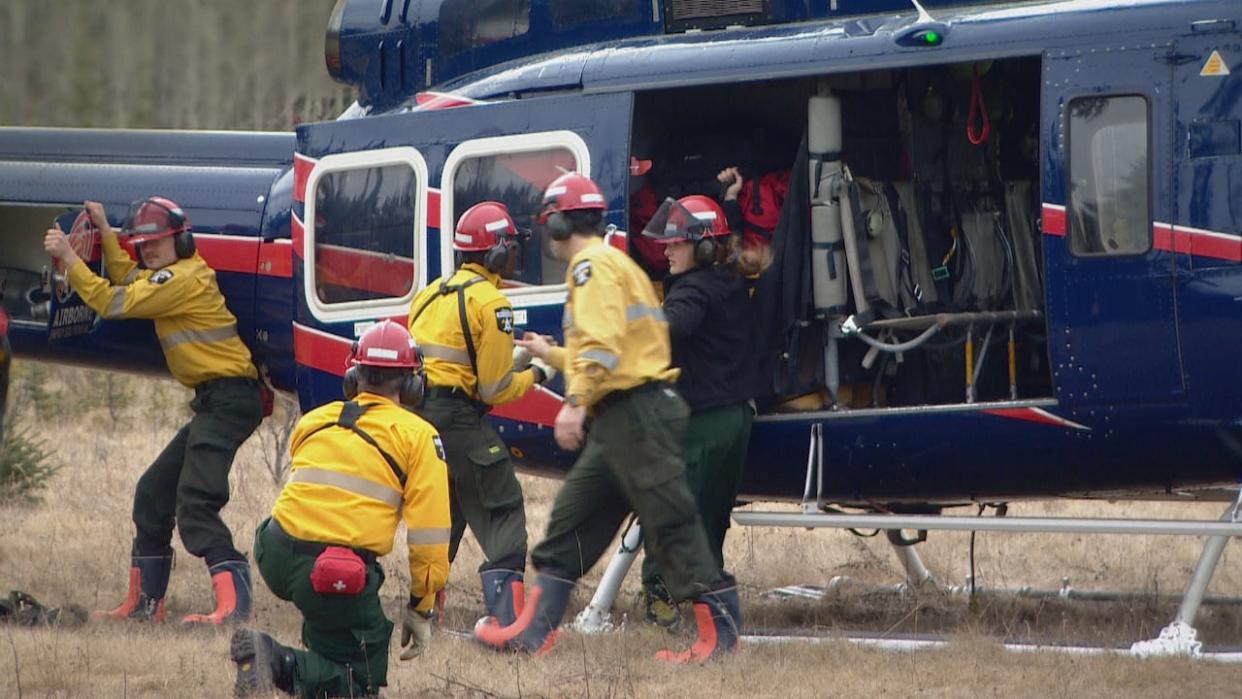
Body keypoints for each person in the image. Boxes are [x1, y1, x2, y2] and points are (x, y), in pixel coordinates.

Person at [475, 172, 742, 663]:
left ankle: (719, 638)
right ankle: (534, 631)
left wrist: (574, 403)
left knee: (673, 525)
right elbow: (609, 346)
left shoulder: (589, 268)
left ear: (557, 221)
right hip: (621, 416)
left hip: (636, 414)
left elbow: (600, 349)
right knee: (570, 521)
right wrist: (550, 356)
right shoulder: (611, 264)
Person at [43, 198, 264, 625]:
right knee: (152, 494)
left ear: (182, 240)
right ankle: (145, 606)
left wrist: (70, 259)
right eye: (142, 246)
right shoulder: (170, 276)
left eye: (156, 245)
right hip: (215, 399)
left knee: (195, 503)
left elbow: (113, 301)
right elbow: (130, 281)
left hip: (231, 399)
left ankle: (235, 607)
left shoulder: (185, 278)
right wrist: (107, 232)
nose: (148, 253)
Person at [230, 319, 450, 697]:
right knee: (357, 683)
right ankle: (275, 659)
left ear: (353, 376)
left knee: (332, 628)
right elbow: (429, 535)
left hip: (274, 548)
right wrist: (421, 607)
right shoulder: (418, 436)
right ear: (413, 384)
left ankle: (312, 650)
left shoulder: (315, 419)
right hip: (330, 569)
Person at [407, 201, 554, 628]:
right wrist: (539, 372)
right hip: (461, 421)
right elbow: (495, 388)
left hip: (422, 422)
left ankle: (424, 613)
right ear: (495, 253)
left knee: (444, 515)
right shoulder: (492, 304)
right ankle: (507, 619)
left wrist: (518, 354)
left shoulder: (429, 294)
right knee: (503, 507)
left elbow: (457, 361)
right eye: (508, 246)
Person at [637, 194, 757, 628]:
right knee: (712, 516)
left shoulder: (692, 290)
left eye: (676, 244)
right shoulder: (731, 280)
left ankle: (660, 596)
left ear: (704, 247)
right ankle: (708, 598)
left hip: (700, 422)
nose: (665, 250)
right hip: (738, 418)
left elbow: (671, 328)